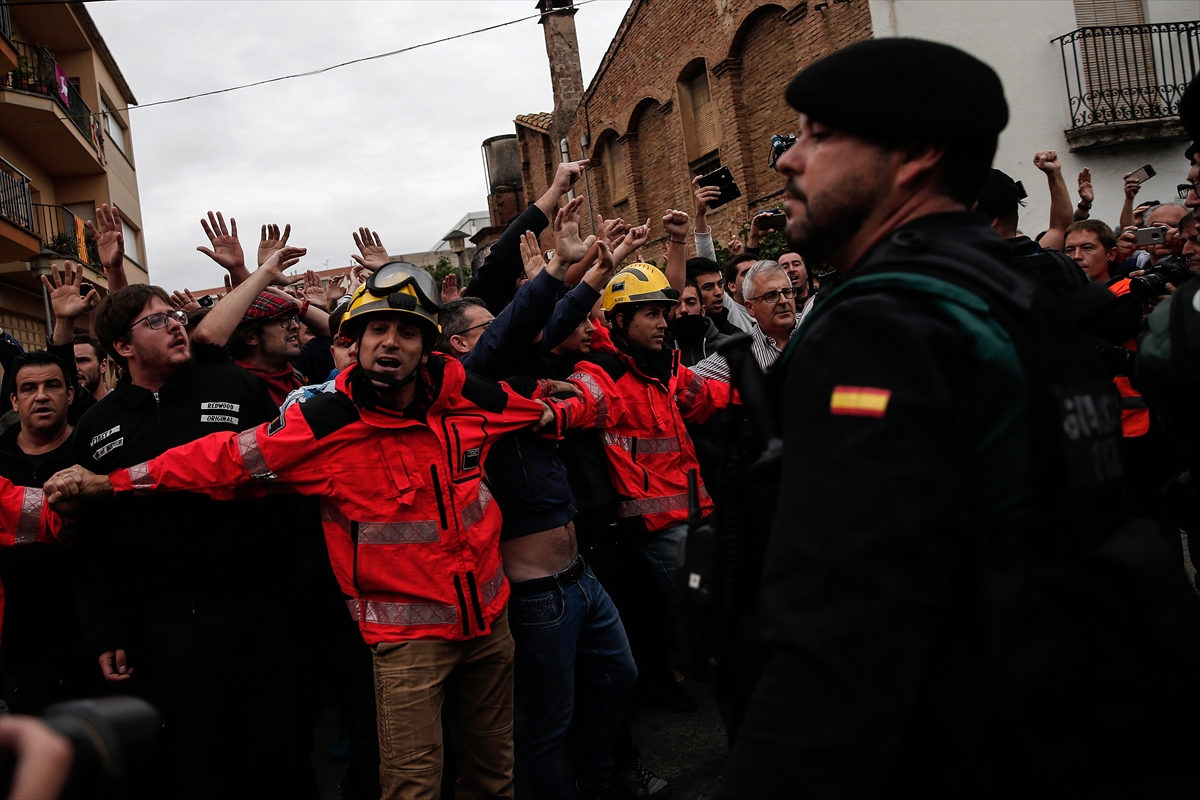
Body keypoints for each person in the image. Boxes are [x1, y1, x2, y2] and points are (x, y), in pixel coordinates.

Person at [716, 37, 1198, 796]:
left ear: (914, 154)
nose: (786, 159)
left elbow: (843, 634)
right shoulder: (1023, 287)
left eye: (818, 134)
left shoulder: (886, 325)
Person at [47, 264, 565, 800]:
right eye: (377, 330)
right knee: (412, 789)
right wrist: (113, 483)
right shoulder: (321, 425)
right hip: (406, 646)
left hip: (489, 630)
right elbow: (218, 460)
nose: (391, 342)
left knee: (493, 778)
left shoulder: (464, 401)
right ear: (351, 342)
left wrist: (567, 403)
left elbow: (539, 404)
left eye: (408, 332)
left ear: (427, 349)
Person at [63, 247, 318, 799]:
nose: (177, 328)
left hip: (265, 610)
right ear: (123, 347)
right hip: (174, 627)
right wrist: (109, 630)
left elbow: (287, 491)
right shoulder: (97, 428)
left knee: (283, 753)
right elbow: (95, 545)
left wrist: (297, 589)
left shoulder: (235, 389)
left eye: (176, 317)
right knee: (203, 762)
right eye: (156, 322)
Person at [693, 261, 799, 380]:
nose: (783, 301)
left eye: (787, 292)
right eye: (771, 296)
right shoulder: (742, 353)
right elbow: (686, 380)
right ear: (750, 307)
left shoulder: (815, 325)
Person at [72, 334, 109, 402]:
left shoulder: (122, 407)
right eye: (72, 362)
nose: (75, 368)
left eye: (82, 360)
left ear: (103, 366)